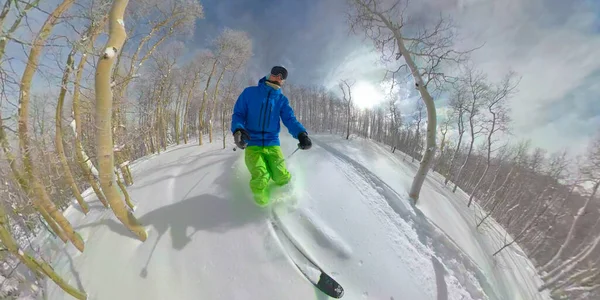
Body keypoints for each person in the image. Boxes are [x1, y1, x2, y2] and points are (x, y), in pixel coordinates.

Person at [231, 66, 312, 207]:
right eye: (275, 74)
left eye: (281, 77)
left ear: (283, 81)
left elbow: (290, 119)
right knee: (261, 176)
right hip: (252, 142)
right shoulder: (250, 93)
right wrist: (238, 130)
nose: (278, 77)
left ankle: (285, 201)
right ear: (269, 74)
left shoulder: (281, 100)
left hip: (272, 142)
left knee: (280, 175)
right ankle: (262, 210)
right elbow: (238, 114)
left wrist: (301, 134)